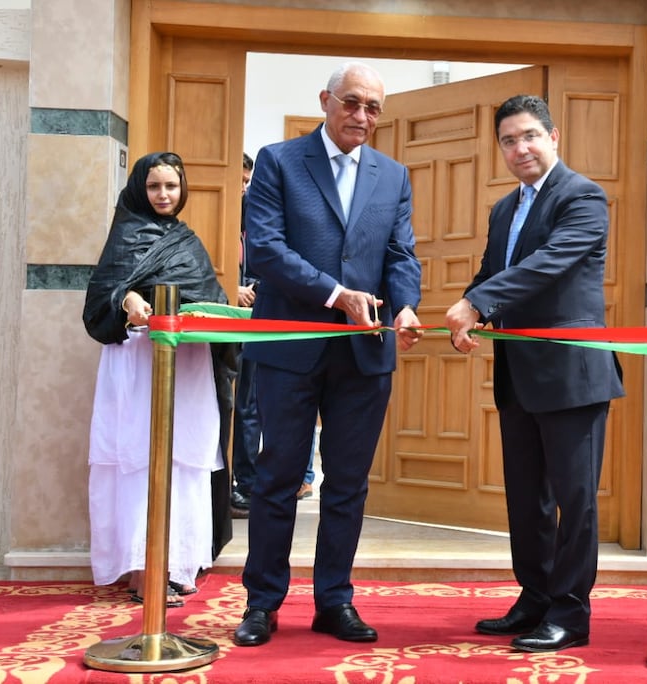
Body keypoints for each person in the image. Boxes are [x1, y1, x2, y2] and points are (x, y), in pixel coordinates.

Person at [232, 62, 423, 647]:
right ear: (325, 100)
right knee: (278, 477)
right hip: (290, 347)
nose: (362, 116)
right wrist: (336, 295)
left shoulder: (393, 175)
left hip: (364, 355)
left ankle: (333, 601)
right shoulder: (278, 161)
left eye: (373, 108)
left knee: (347, 484)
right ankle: (262, 604)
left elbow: (401, 254)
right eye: (352, 102)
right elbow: (263, 249)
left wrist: (407, 306)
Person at [444, 94, 624, 653]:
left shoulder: (583, 197)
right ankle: (536, 597)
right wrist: (471, 306)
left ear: (554, 137)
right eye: (507, 140)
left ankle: (571, 613)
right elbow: (493, 271)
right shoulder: (503, 209)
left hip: (572, 375)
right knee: (527, 500)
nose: (519, 148)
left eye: (529, 136)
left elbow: (548, 266)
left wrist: (478, 303)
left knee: (575, 500)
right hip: (519, 374)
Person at [82, 151, 233, 606]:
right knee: (138, 462)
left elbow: (211, 297)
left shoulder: (188, 241)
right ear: (139, 190)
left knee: (183, 460)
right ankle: (141, 571)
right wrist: (128, 299)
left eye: (171, 186)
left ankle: (176, 563)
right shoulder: (125, 234)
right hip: (137, 366)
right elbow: (100, 299)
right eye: (154, 187)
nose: (164, 195)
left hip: (185, 366)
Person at [231, 151, 259, 518]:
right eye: (235, 180)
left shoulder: (254, 217)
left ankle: (248, 484)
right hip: (218, 322)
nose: (241, 189)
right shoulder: (211, 214)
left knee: (250, 406)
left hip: (253, 320)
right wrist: (229, 288)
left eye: (246, 182)